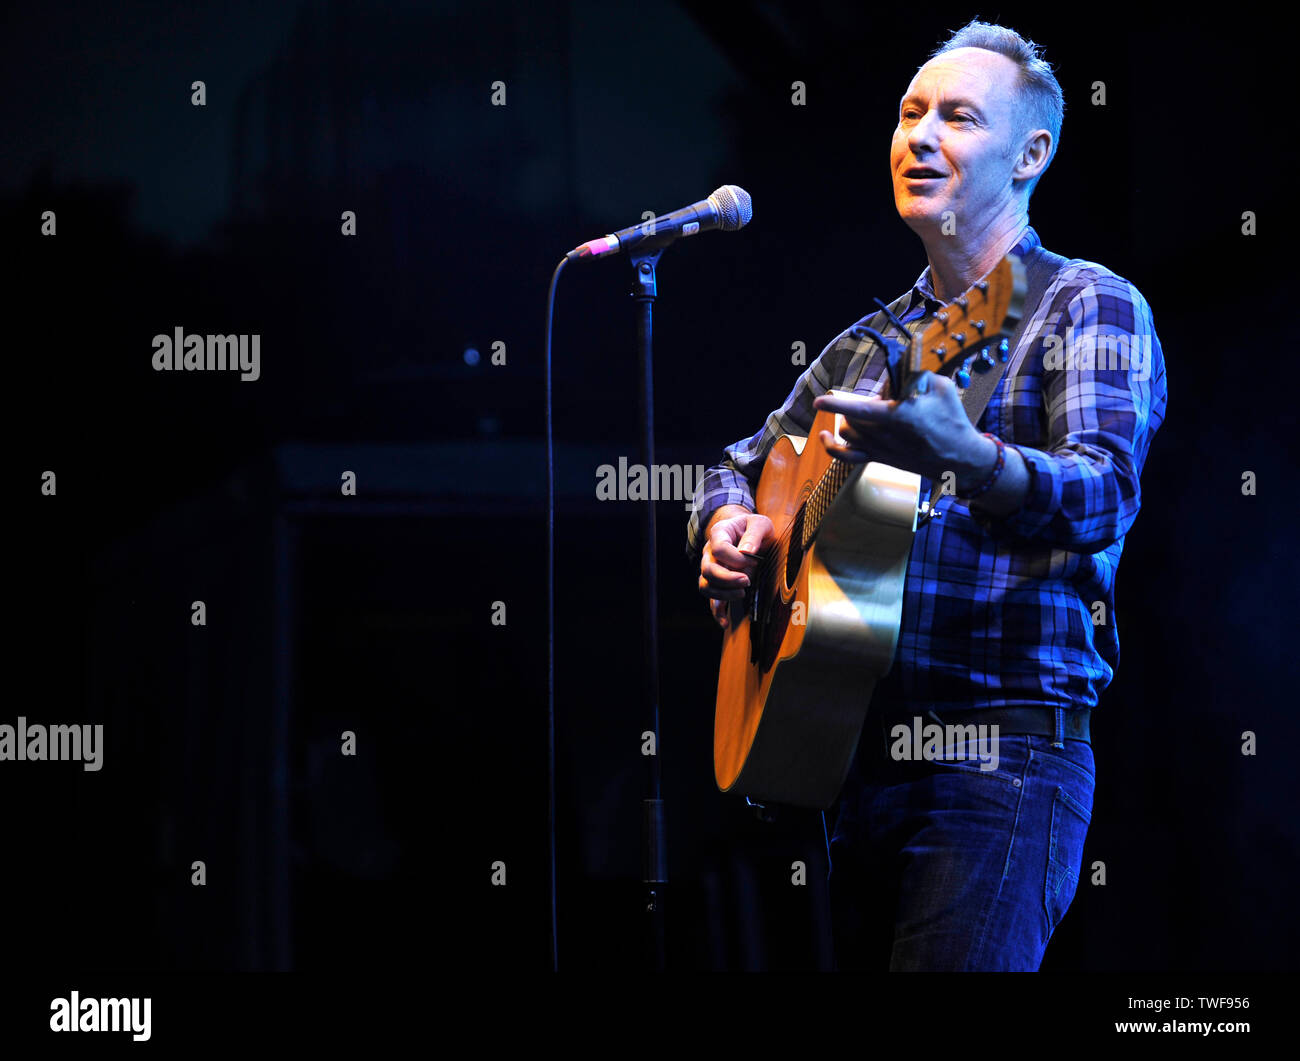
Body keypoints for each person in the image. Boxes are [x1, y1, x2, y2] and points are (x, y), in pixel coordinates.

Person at [687, 20, 1168, 970]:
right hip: (852, 756)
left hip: (1002, 759)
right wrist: (724, 523)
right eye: (910, 114)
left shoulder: (1085, 302)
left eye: (957, 117)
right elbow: (737, 462)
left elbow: (1105, 491)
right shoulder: (867, 347)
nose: (919, 136)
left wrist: (973, 457)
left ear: (1033, 153)